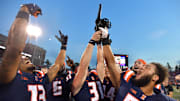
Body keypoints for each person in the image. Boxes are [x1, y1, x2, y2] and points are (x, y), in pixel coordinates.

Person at [0, 4, 67, 101]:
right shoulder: (10, 76)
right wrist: (24, 11)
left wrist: (63, 46)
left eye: (25, 57)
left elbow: (58, 65)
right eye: (22, 57)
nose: (26, 58)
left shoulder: (40, 78)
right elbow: (14, 48)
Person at [102, 31, 176, 101]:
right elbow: (111, 63)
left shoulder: (160, 98)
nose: (141, 68)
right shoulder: (128, 81)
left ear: (155, 77)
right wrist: (105, 40)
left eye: (147, 67)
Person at [71, 31, 105, 101]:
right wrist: (92, 41)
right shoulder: (76, 83)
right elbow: (83, 67)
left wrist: (99, 44)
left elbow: (100, 62)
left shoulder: (94, 77)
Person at [46, 30, 74, 101]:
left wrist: (73, 66)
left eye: (63, 65)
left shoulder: (68, 76)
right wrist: (63, 46)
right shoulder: (50, 75)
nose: (62, 66)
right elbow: (58, 64)